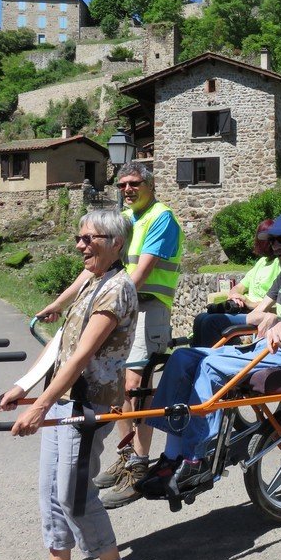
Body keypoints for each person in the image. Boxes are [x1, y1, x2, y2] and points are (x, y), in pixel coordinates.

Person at [136, 213, 281, 497]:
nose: (275, 246)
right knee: (182, 358)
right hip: (269, 346)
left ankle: (199, 458)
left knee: (211, 365)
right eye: (272, 240)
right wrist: (247, 310)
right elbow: (257, 314)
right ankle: (172, 456)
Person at [0, 211, 138, 560]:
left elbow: (81, 357)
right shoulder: (94, 278)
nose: (80, 245)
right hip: (64, 397)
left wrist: (37, 407)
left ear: (115, 243)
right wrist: (24, 384)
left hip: (89, 404)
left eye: (89, 239)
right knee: (49, 488)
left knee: (73, 492)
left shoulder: (117, 288)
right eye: (79, 238)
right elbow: (63, 343)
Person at [93, 162, 183, 508]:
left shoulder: (161, 217)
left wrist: (107, 307)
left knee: (137, 387)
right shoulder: (127, 218)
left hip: (148, 309)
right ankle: (127, 455)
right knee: (118, 388)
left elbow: (141, 273)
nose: (127, 189)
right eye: (123, 184)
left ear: (150, 184)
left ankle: (140, 466)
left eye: (134, 183)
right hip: (126, 309)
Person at [190, 218, 281, 347]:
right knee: (200, 318)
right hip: (245, 310)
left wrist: (248, 303)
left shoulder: (280, 264)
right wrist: (235, 296)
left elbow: (278, 302)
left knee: (209, 322)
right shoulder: (262, 262)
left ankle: (209, 359)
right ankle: (198, 356)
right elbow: (239, 287)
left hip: (259, 313)